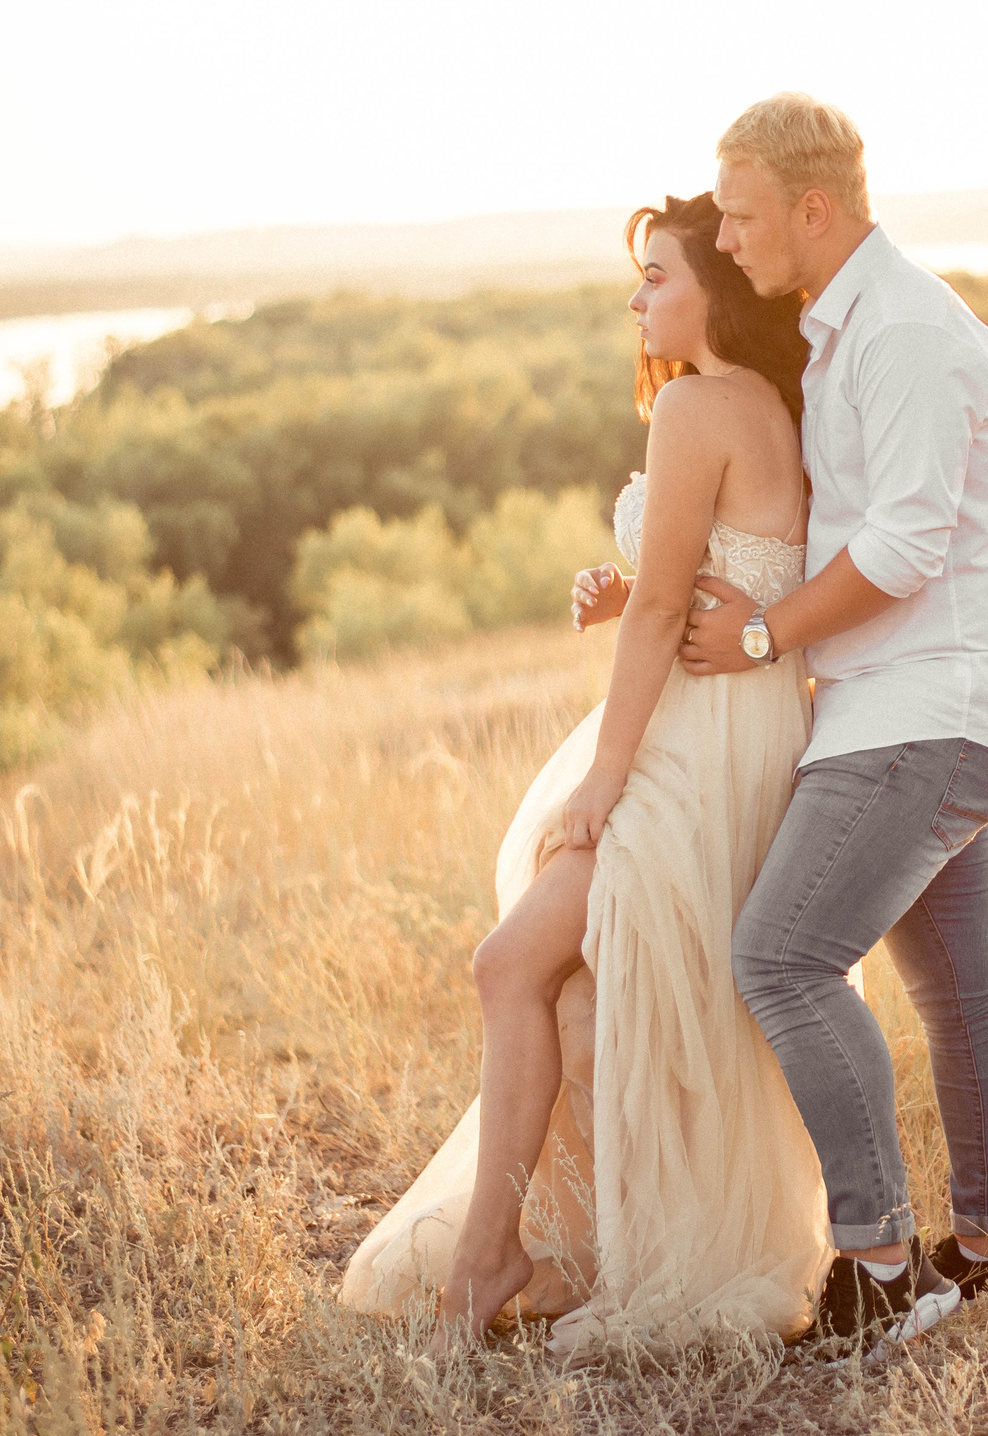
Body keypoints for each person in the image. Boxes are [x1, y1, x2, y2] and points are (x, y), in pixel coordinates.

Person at [339, 193, 833, 1353]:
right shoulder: (766, 404)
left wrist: (603, 781)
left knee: (509, 959)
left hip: (688, 746)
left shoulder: (699, 405)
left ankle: (485, 1257)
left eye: (656, 274)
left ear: (712, 285)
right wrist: (633, 593)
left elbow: (672, 605)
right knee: (570, 988)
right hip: (737, 727)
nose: (637, 297)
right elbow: (710, 574)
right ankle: (577, 1239)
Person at [681, 94, 988, 1345]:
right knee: (960, 988)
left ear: (812, 208)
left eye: (740, 214)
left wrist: (757, 636)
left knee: (781, 959)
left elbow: (901, 544)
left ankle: (884, 1267)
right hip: (914, 702)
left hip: (922, 710)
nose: (726, 238)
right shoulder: (846, 326)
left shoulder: (902, 330)